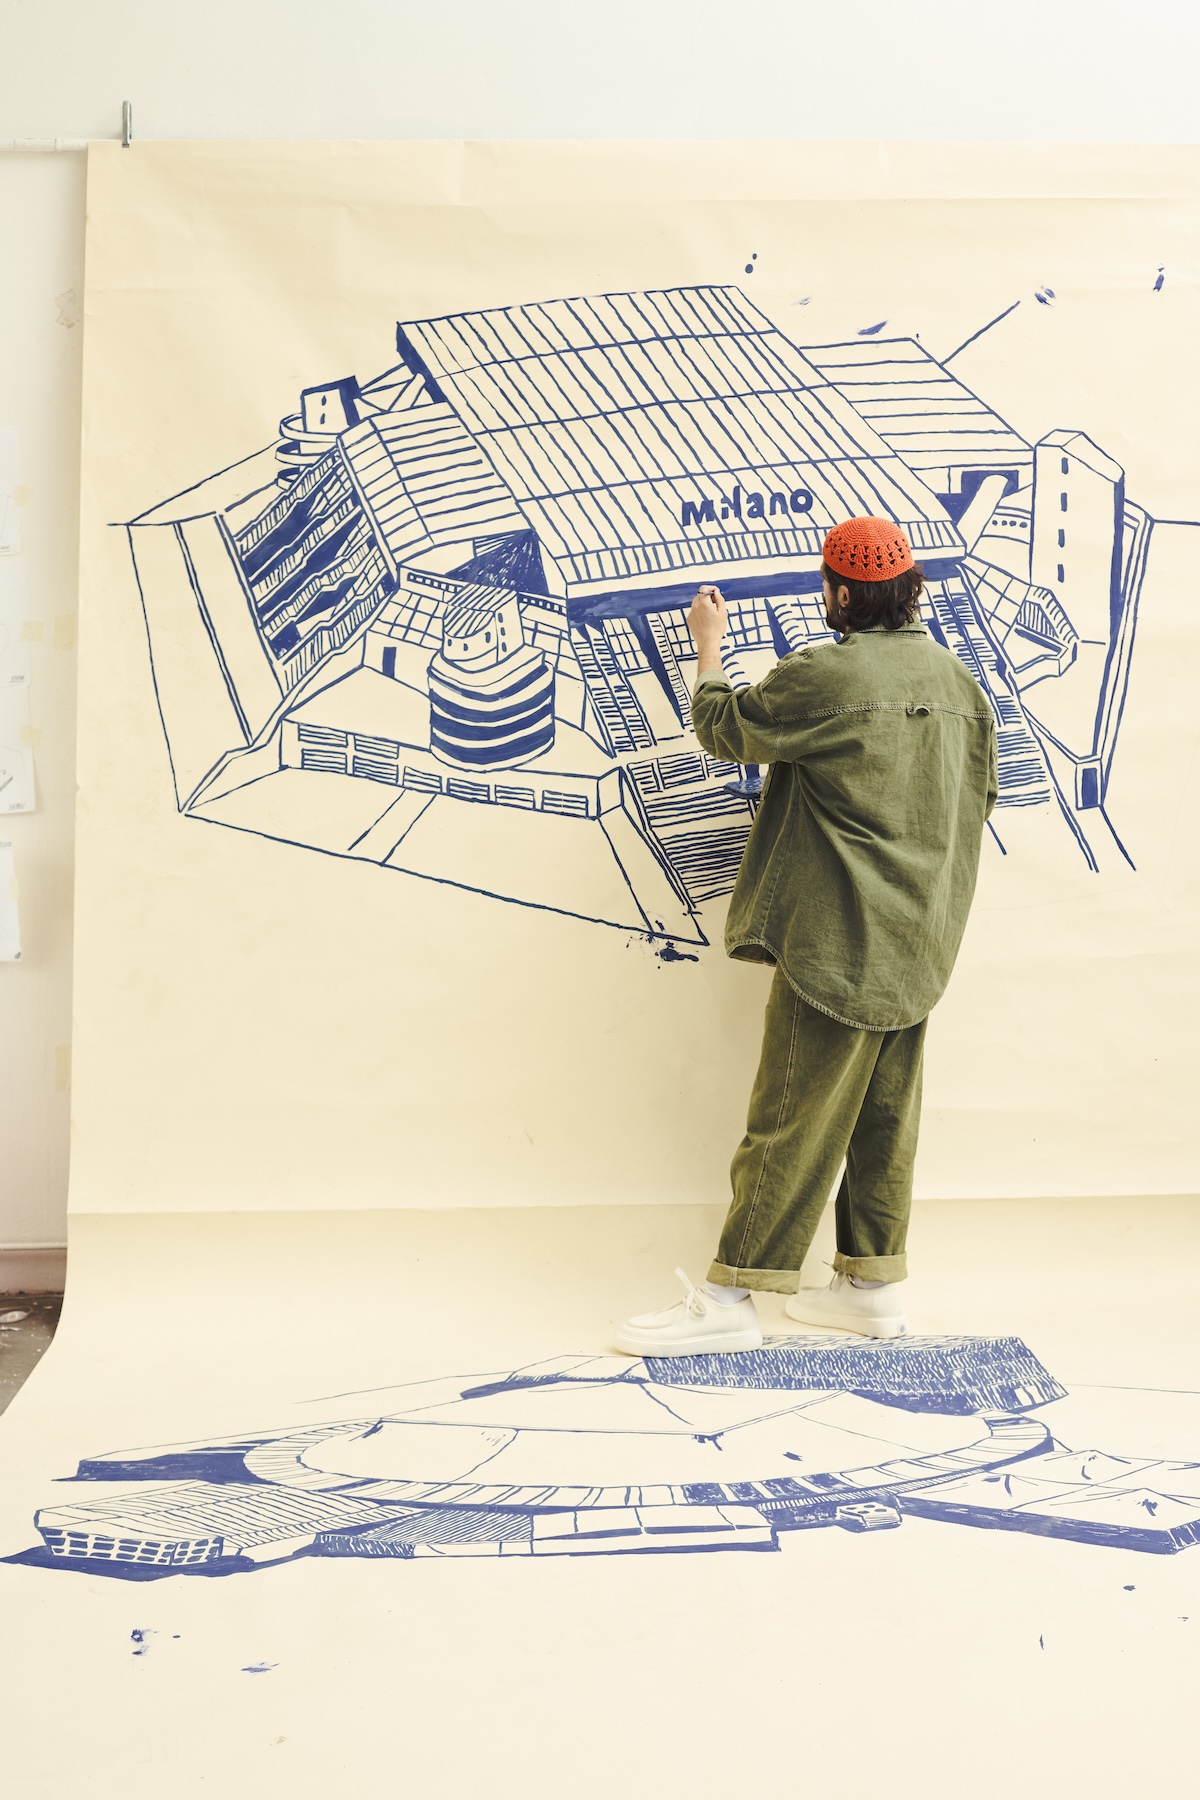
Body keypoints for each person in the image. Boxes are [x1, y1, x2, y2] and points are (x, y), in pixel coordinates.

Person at [616, 516, 998, 1357]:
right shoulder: (961, 685)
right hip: (920, 942)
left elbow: (725, 729)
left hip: (838, 942)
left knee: (788, 1118)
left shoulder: (826, 673)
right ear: (909, 590)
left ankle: (731, 1297)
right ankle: (870, 1288)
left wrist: (707, 645)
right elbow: (980, 801)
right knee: (884, 1121)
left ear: (840, 594)